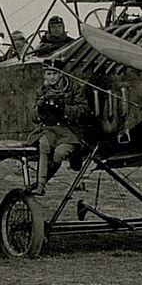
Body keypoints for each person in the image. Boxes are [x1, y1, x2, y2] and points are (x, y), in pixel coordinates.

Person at [29, 59, 91, 195]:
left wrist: (64, 109)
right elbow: (33, 117)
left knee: (59, 153)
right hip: (49, 130)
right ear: (44, 75)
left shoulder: (74, 87)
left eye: (55, 74)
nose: (52, 77)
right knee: (43, 146)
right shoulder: (41, 91)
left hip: (70, 131)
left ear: (61, 74)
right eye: (48, 74)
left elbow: (84, 110)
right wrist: (40, 108)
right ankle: (40, 185)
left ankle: (45, 178)